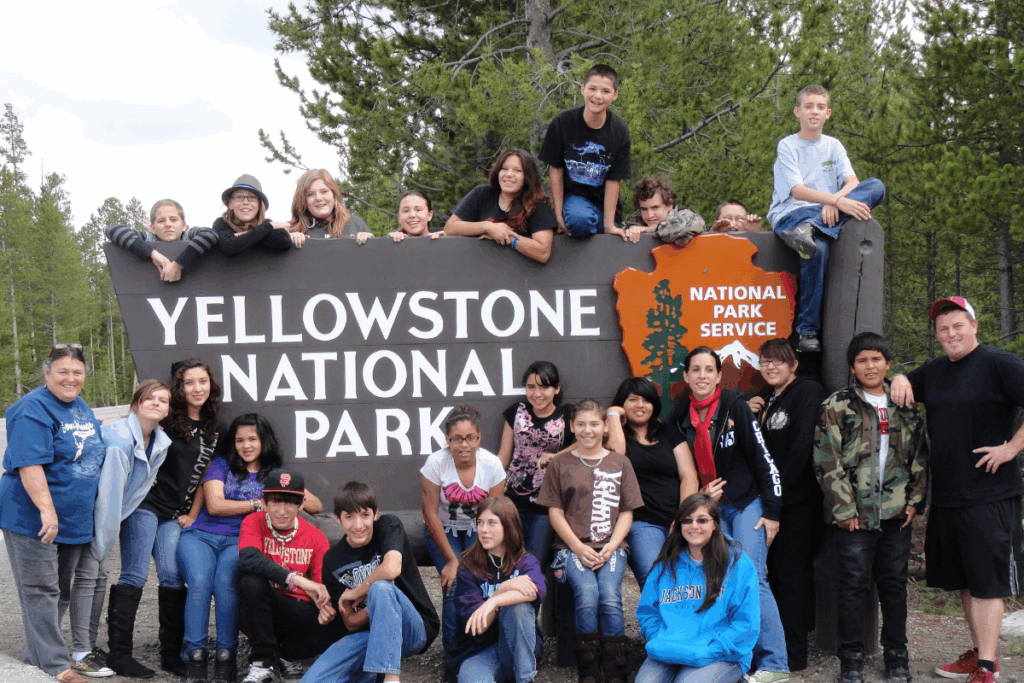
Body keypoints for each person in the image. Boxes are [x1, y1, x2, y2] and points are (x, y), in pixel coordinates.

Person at [890, 297, 1024, 683]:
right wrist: (900, 377)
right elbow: (904, 383)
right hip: (948, 496)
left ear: (975, 326)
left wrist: (1011, 448)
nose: (950, 334)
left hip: (991, 493)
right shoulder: (935, 370)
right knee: (966, 583)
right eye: (943, 329)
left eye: (958, 326)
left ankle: (986, 667)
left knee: (986, 583)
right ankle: (982, 655)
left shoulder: (999, 364)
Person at [664, 346, 789, 683]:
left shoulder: (736, 406)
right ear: (687, 376)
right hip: (711, 510)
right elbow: (684, 470)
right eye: (696, 369)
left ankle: (776, 664)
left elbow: (764, 461)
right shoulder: (678, 418)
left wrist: (773, 512)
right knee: (721, 582)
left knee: (752, 575)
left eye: (709, 369)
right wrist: (701, 500)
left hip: (748, 502)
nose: (702, 376)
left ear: (719, 376)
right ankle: (737, 659)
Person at [815, 332, 928, 683]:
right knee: (853, 585)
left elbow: (921, 456)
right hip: (854, 516)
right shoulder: (837, 405)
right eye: (862, 360)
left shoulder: (906, 404)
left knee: (893, 584)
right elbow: (825, 459)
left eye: (876, 359)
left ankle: (897, 655)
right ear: (852, 367)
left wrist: (915, 501)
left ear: (888, 363)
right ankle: (851, 659)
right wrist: (844, 509)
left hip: (896, 513)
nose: (870, 366)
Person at [176, 414, 320, 683]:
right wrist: (259, 502)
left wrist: (286, 494)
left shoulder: (274, 474)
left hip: (238, 540)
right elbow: (216, 505)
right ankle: (195, 658)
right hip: (202, 535)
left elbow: (315, 504)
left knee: (224, 585)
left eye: (252, 439)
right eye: (240, 440)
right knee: (198, 582)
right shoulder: (221, 465)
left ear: (264, 441)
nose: (246, 445)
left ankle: (225, 658)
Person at [112, 358, 226, 678]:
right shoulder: (167, 416)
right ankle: (119, 653)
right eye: (189, 382)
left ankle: (170, 654)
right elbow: (136, 433)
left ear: (211, 384)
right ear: (180, 387)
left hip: (175, 515)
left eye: (202, 381)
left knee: (173, 576)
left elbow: (208, 474)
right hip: (147, 506)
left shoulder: (216, 426)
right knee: (134, 574)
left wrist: (192, 512)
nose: (196, 388)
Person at [0, 343, 106, 683]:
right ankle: (56, 665)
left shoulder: (80, 407)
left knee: (59, 588)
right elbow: (29, 464)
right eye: (62, 371)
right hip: (34, 516)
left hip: (73, 519)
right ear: (47, 373)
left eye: (77, 372)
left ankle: (39, 654)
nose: (70, 378)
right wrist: (47, 510)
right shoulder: (31, 409)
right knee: (40, 589)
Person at [766, 84, 886, 353]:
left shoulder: (833, 145)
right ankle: (807, 331)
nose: (814, 112)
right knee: (816, 251)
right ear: (798, 111)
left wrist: (839, 200)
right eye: (809, 106)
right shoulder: (788, 145)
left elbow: (853, 181)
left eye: (820, 107)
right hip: (792, 215)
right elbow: (797, 190)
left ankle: (813, 229)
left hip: (823, 215)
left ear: (828, 113)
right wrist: (834, 201)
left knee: (876, 186)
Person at [68, 380, 172, 679]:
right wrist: (104, 539)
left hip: (113, 513)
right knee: (89, 580)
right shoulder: (119, 440)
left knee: (98, 579)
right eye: (149, 398)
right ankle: (79, 651)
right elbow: (109, 496)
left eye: (162, 400)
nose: (156, 403)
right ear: (136, 403)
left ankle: (86, 646)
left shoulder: (159, 441)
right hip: (91, 515)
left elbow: (135, 490)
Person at [536, 399, 644, 683]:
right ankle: (589, 671)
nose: (588, 430)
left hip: (612, 546)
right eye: (581, 424)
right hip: (572, 548)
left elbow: (626, 512)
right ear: (572, 427)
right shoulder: (560, 463)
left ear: (605, 427)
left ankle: (616, 670)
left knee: (609, 597)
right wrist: (578, 546)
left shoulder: (620, 462)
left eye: (594, 424)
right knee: (587, 595)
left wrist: (612, 545)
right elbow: (555, 513)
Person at [302, 481, 440, 683]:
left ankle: (390, 678)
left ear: (375, 514)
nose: (358, 525)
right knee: (313, 680)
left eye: (364, 515)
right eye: (349, 517)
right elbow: (350, 622)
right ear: (337, 519)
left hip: (412, 628)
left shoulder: (388, 526)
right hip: (369, 637)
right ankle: (370, 675)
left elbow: (392, 569)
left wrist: (357, 591)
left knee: (382, 588)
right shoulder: (332, 559)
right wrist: (376, 608)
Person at [748, 338, 826, 672]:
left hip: (798, 503)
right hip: (773, 502)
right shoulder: (767, 399)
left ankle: (793, 655)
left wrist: (775, 499)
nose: (771, 367)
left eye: (778, 361)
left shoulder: (807, 392)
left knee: (790, 575)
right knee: (775, 576)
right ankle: (776, 647)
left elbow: (800, 451)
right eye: (765, 361)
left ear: (794, 364)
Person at [635, 493, 760, 683]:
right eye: (687, 520)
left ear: (715, 524)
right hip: (670, 650)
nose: (694, 526)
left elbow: (746, 623)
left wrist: (710, 650)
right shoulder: (666, 563)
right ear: (679, 525)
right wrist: (657, 639)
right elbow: (647, 611)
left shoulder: (738, 563)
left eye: (702, 520)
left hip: (722, 653)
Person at [236, 470, 344, 683]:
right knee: (250, 581)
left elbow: (321, 589)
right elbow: (248, 558)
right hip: (261, 606)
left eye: (290, 503)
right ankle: (263, 663)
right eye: (275, 502)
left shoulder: (316, 537)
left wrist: (326, 609)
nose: (282, 511)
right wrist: (298, 579)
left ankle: (285, 655)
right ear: (263, 502)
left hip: (297, 610)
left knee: (341, 624)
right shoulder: (253, 522)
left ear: (301, 504)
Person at [421, 404, 506, 675]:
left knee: (472, 583)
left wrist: (468, 558)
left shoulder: (492, 465)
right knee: (453, 584)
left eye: (470, 437)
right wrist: (451, 560)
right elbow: (430, 514)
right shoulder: (436, 463)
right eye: (457, 439)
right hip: (443, 528)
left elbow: (494, 517)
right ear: (448, 440)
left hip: (478, 530)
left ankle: (476, 651)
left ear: (479, 438)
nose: (463, 444)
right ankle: (452, 662)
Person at [605, 376, 699, 591]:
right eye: (632, 400)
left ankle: (684, 625)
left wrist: (682, 517)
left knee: (691, 581)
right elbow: (614, 457)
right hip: (642, 522)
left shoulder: (668, 432)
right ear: (622, 403)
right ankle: (658, 625)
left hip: (678, 518)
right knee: (655, 579)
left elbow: (689, 476)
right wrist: (612, 415)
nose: (640, 406)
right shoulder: (616, 436)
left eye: (646, 400)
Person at [448, 496, 546, 683]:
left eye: (492, 523)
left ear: (508, 527)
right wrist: (502, 590)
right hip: (480, 652)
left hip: (516, 652)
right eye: (480, 523)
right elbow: (478, 626)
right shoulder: (468, 566)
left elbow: (536, 590)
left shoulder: (526, 562)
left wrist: (494, 600)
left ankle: (526, 679)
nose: (484, 529)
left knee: (519, 607)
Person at [539, 64, 632, 239]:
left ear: (615, 95)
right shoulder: (563, 123)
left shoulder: (619, 131)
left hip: (604, 205)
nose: (597, 96)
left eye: (605, 91)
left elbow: (614, 180)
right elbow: (555, 170)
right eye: (592, 89)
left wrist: (609, 225)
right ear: (582, 89)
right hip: (574, 200)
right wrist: (558, 215)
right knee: (579, 220)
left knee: (600, 228)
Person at [496, 360, 574, 565]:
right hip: (511, 501)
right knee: (506, 563)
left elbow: (589, 441)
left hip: (547, 505)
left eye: (544, 387)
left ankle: (530, 598)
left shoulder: (568, 414)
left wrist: (556, 456)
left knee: (533, 564)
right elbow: (503, 457)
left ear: (557, 389)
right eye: (531, 387)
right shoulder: (516, 412)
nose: (537, 393)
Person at [444, 149, 557, 263]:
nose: (509, 175)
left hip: (521, 275)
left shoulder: (537, 205)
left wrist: (507, 237)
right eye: (504, 168)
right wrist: (487, 227)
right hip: (479, 268)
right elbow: (450, 228)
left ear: (527, 176)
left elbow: (543, 252)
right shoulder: (482, 194)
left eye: (517, 170)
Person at [106, 199, 219, 282]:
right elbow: (112, 230)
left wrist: (178, 264)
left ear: (184, 225)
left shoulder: (189, 235)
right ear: (152, 228)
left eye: (174, 220)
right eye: (161, 221)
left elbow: (210, 234)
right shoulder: (148, 238)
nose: (168, 225)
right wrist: (153, 253)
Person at [214, 174, 300, 255]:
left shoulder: (266, 223)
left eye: (252, 198)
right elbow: (229, 246)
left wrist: (238, 237)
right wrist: (268, 228)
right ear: (230, 204)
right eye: (239, 197)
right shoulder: (221, 223)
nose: (245, 202)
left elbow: (284, 242)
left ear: (259, 205)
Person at [285, 168, 373, 246]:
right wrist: (290, 242)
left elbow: (375, 260)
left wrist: (370, 242)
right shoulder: (291, 231)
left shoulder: (355, 224)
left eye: (324, 191)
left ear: (334, 194)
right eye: (310, 194)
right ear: (303, 200)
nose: (318, 198)